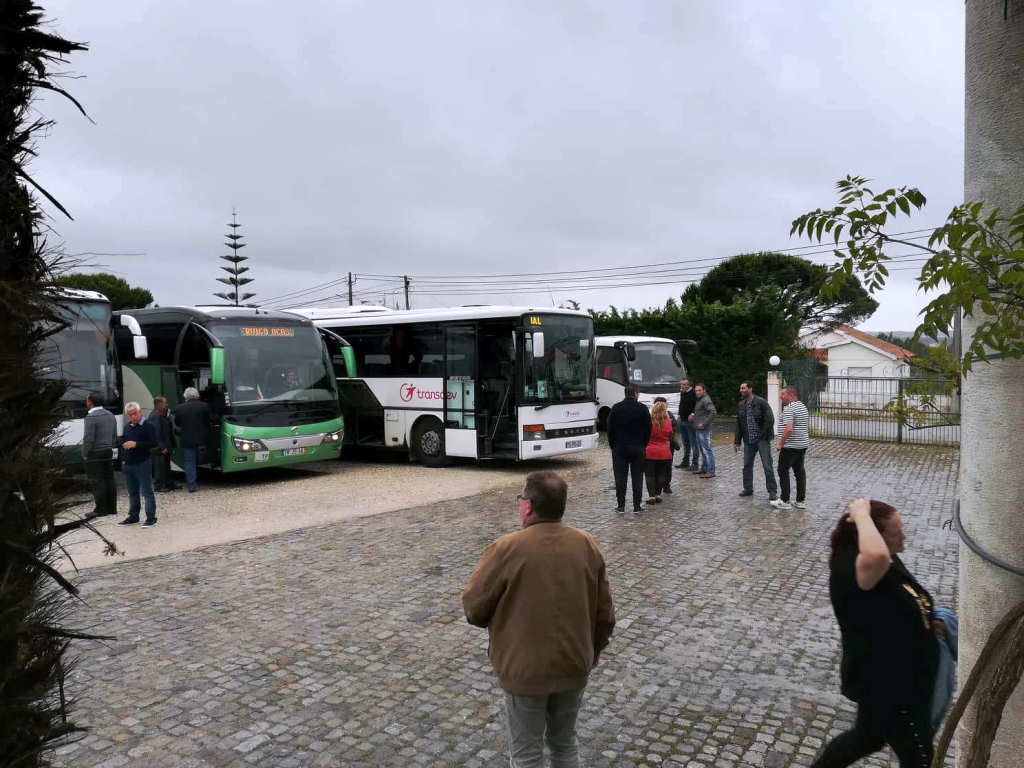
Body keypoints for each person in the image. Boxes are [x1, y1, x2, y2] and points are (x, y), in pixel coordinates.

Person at [462, 471, 615, 768]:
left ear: (528, 506)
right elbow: (605, 613)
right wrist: (594, 650)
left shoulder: (506, 548)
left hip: (524, 671)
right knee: (565, 744)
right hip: (574, 663)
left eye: (521, 498)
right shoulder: (586, 545)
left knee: (526, 754)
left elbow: (474, 609)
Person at [812, 499, 939, 768]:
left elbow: (898, 595)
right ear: (874, 537)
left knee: (867, 738)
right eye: (896, 532)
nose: (904, 536)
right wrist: (860, 513)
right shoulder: (857, 566)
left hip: (895, 678)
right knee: (919, 757)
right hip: (890, 684)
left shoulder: (886, 557)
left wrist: (927, 619)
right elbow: (878, 557)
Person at [607, 385, 651, 515]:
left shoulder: (616, 408)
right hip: (638, 447)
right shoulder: (642, 408)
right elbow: (648, 428)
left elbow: (610, 428)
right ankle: (637, 506)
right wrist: (644, 444)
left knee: (620, 478)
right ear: (636, 393)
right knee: (637, 477)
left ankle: (621, 505)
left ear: (625, 393)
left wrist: (613, 445)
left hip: (620, 447)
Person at [733, 381, 778, 501]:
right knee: (747, 466)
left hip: (762, 439)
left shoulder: (761, 402)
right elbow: (739, 424)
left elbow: (770, 419)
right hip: (748, 440)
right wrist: (737, 441)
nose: (741, 390)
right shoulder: (741, 405)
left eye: (743, 388)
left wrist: (762, 434)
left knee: (767, 466)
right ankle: (748, 489)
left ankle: (772, 491)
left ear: (750, 389)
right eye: (740, 388)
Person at [117, 402, 158, 527]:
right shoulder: (127, 427)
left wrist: (136, 444)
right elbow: (124, 442)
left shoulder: (148, 425)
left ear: (140, 412)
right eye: (130, 415)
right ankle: (133, 516)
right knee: (132, 492)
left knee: (146, 491)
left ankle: (151, 517)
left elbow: (154, 443)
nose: (132, 417)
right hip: (129, 463)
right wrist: (123, 456)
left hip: (142, 462)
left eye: (134, 414)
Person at [773, 385, 809, 510]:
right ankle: (800, 501)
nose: (780, 396)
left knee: (782, 471)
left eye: (783, 394)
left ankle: (785, 501)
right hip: (802, 445)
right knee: (799, 472)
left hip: (790, 446)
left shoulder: (789, 408)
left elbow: (788, 429)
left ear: (791, 395)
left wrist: (780, 444)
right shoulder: (803, 406)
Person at [82, 391, 118, 517]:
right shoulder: (110, 415)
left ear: (90, 402)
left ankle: (101, 509)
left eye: (87, 400)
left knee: (97, 480)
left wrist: (85, 453)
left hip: (94, 452)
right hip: (108, 451)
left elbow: (88, 438)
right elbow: (114, 435)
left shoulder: (90, 417)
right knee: (109, 479)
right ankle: (112, 508)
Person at [173, 387, 211, 493]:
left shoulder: (179, 408)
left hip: (187, 439)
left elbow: (177, 423)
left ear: (186, 396)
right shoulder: (204, 406)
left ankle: (192, 485)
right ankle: (207, 479)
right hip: (202, 439)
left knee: (189, 462)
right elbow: (209, 420)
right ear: (197, 395)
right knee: (204, 460)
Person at [645, 400, 674, 503]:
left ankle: (651, 496)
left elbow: (644, 435)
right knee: (661, 474)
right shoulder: (668, 422)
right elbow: (670, 435)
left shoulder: (649, 422)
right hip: (664, 452)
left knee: (650, 475)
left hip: (650, 452)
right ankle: (658, 494)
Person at [148, 396, 178, 492]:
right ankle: (159, 486)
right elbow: (156, 433)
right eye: (165, 403)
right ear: (159, 404)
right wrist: (162, 447)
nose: (167, 405)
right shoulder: (155, 416)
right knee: (159, 467)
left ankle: (168, 483)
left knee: (166, 466)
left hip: (165, 445)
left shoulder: (162, 415)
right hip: (159, 448)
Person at [690, 383, 717, 478]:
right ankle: (704, 468)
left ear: (704, 390)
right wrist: (693, 416)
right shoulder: (700, 399)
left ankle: (711, 471)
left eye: (699, 390)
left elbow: (713, 412)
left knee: (707, 450)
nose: (697, 392)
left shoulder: (706, 399)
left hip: (704, 429)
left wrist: (704, 424)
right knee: (702, 450)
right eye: (696, 390)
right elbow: (701, 412)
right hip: (698, 429)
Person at [675, 378, 699, 471]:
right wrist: (679, 415)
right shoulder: (683, 392)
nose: (682, 386)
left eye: (684, 384)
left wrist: (693, 414)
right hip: (683, 420)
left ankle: (695, 463)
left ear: (689, 385)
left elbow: (697, 405)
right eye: (681, 384)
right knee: (685, 443)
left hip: (690, 422)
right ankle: (685, 462)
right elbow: (681, 404)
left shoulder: (693, 393)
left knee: (693, 443)